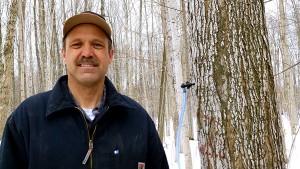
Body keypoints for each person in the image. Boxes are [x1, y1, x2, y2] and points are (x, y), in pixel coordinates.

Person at [0, 11, 169, 169]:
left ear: (110, 55)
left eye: (97, 44)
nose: (87, 52)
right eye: (77, 44)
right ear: (64, 54)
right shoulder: (26, 119)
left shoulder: (138, 120)